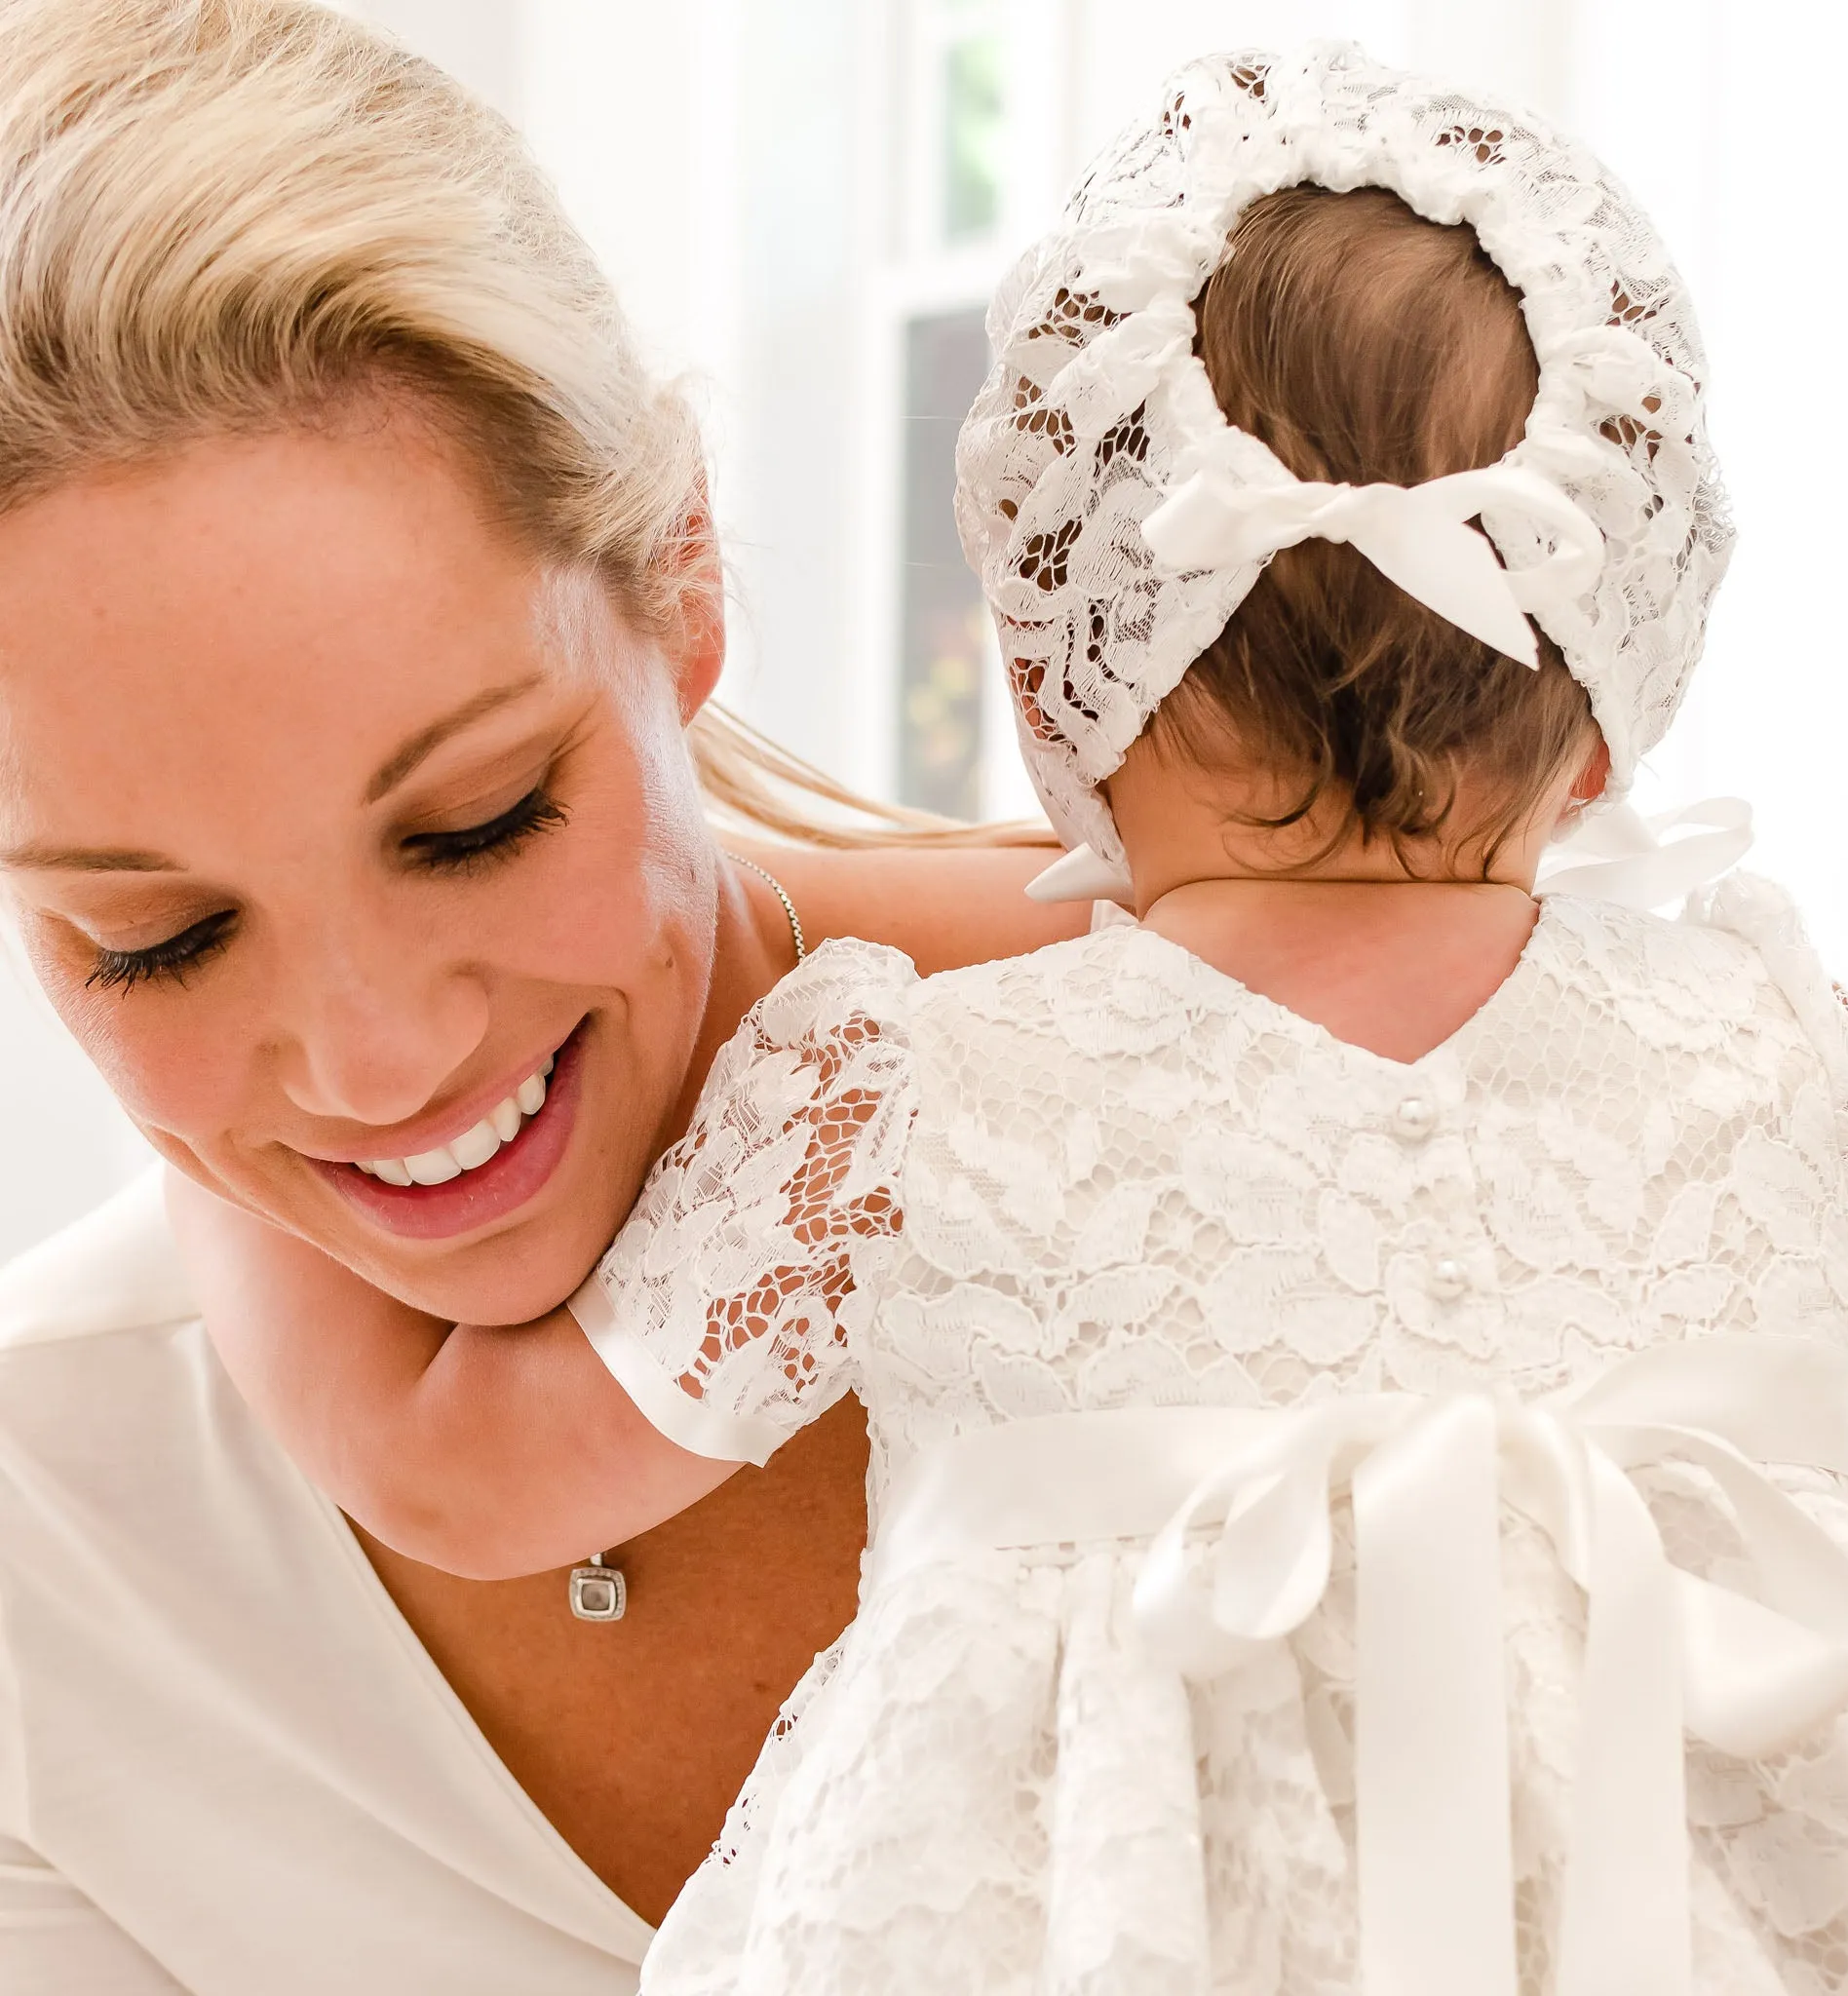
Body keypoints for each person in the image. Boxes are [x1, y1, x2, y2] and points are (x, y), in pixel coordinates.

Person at [175, 43, 1848, 1996]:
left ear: (1052, 697)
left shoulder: (897, 1096)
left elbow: (478, 1475)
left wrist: (208, 1150)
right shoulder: (1771, 1039)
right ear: (1614, 716)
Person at [0, 4, 1094, 1990]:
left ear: (680, 583)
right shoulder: (45, 1557)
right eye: (156, 936)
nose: (381, 1060)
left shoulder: (1271, 1093)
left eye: (481, 819)